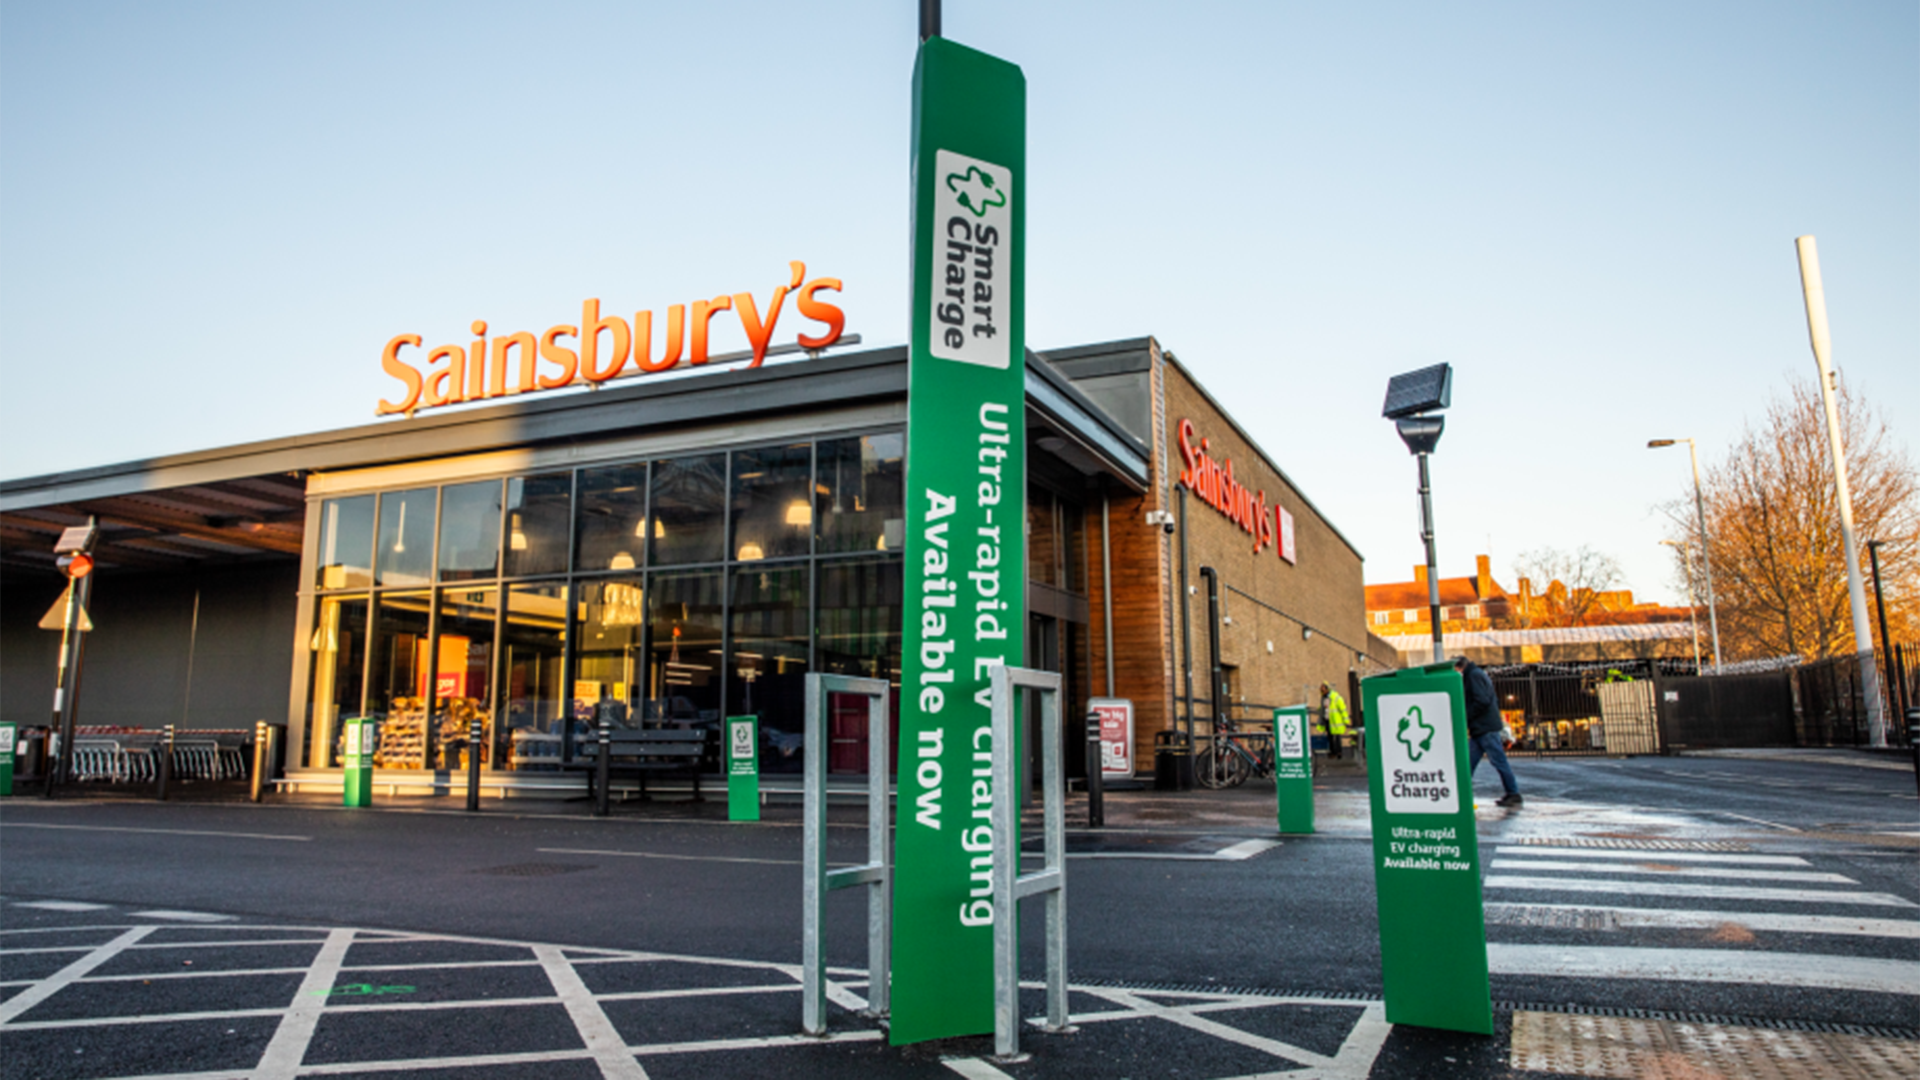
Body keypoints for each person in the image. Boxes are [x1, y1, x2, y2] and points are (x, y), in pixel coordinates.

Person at [1454, 656, 1521, 807]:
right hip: (1482, 727)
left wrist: (1466, 714)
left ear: (1459, 668)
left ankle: (1513, 793)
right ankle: (1461, 794)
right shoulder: (1477, 674)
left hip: (1484, 727)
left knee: (1497, 761)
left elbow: (1482, 701)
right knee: (1468, 763)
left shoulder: (1473, 676)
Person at [1320, 682, 1350, 759]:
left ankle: (1338, 752)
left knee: (1337, 737)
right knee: (1330, 737)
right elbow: (1324, 708)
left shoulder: (1336, 698)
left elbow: (1343, 709)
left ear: (1327, 688)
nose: (1321, 690)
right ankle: (1333, 752)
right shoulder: (1324, 698)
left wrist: (1345, 719)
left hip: (1336, 721)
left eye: (1323, 688)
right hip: (1328, 721)